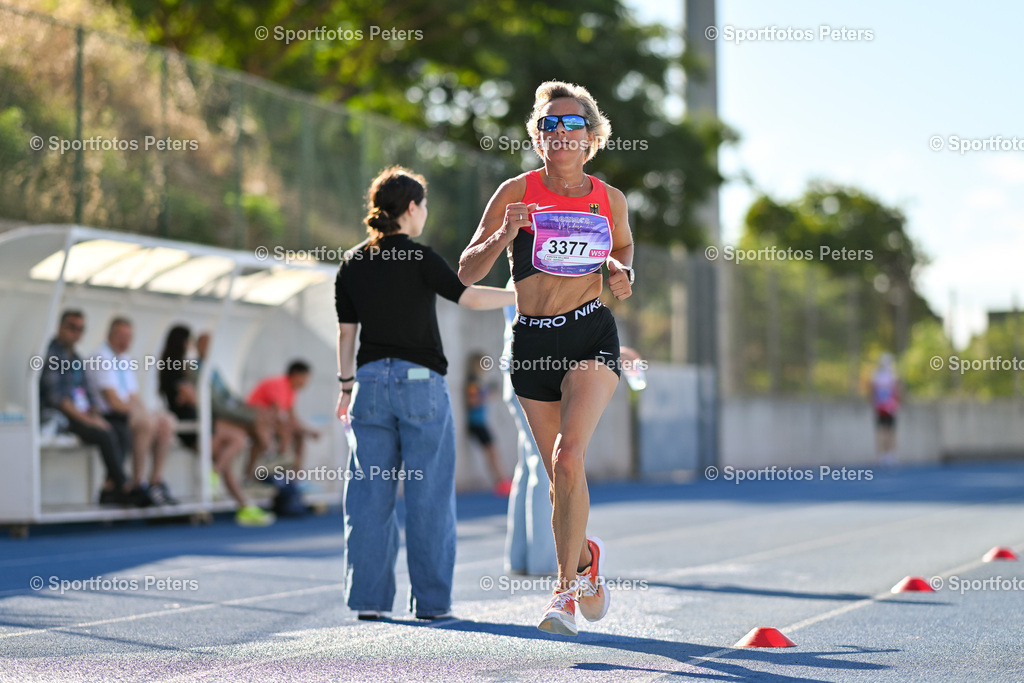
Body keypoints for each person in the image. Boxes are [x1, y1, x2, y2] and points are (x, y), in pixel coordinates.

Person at [458, 81, 634, 636]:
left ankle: (562, 593)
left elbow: (623, 247)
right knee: (559, 477)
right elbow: (464, 272)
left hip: (590, 335)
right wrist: (503, 235)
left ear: (591, 137)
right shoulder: (516, 191)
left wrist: (622, 272)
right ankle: (585, 563)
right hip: (532, 342)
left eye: (571, 125)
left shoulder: (609, 199)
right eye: (549, 125)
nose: (560, 134)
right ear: (538, 136)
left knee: (568, 456)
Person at [335, 165, 515, 621]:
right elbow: (468, 296)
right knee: (429, 497)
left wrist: (345, 389)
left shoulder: (353, 263)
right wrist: (520, 297)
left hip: (369, 385)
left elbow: (346, 336)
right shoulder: (419, 258)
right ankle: (432, 605)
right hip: (420, 386)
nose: (426, 213)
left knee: (368, 498)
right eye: (425, 205)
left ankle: (370, 603)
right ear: (411, 209)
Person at [158, 325, 274, 526]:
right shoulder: (179, 367)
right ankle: (221, 482)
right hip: (194, 426)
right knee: (237, 439)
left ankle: (243, 505)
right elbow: (193, 399)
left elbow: (199, 397)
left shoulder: (181, 367)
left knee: (226, 458)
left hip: (201, 423)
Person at [38, 309, 136, 506]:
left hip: (78, 414)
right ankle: (123, 485)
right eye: (72, 327)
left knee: (119, 428)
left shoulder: (76, 358)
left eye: (80, 329)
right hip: (59, 418)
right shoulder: (52, 355)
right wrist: (90, 420)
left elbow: (86, 395)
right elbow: (61, 401)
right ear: (60, 328)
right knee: (105, 433)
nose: (76, 333)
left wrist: (95, 414)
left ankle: (111, 488)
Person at [90, 316, 177, 506]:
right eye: (121, 335)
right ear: (110, 335)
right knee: (146, 422)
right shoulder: (100, 357)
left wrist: (147, 412)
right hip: (108, 414)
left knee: (166, 422)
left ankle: (156, 480)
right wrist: (141, 414)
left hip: (124, 411)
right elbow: (112, 400)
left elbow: (133, 396)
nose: (126, 341)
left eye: (129, 336)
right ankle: (138, 482)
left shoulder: (124, 359)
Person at [501, 294, 558, 576]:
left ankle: (520, 558)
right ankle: (542, 561)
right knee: (545, 468)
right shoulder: (537, 266)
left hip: (516, 372)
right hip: (533, 374)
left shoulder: (518, 268)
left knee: (528, 465)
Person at [195, 332, 274, 479]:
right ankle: (268, 456)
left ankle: (251, 471)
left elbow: (228, 395)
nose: (209, 349)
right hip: (218, 419)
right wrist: (248, 413)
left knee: (255, 427)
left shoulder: (212, 369)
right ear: (197, 346)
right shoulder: (195, 368)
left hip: (227, 416)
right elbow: (217, 404)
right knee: (244, 435)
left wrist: (249, 409)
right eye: (206, 345)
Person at [247, 361, 319, 472]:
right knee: (286, 430)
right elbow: (277, 414)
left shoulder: (291, 391)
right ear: (295, 374)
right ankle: (278, 464)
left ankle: (294, 475)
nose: (306, 382)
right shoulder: (280, 384)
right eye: (304, 377)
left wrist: (308, 431)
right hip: (254, 417)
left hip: (267, 420)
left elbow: (292, 418)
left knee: (299, 435)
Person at [465, 351, 512, 497]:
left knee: (492, 453)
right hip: (476, 423)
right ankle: (501, 482)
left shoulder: (477, 381)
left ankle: (501, 481)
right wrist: (485, 394)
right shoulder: (473, 381)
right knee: (492, 453)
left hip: (480, 423)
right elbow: (472, 401)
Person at [871, 352, 900, 466]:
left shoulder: (878, 375)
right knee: (887, 432)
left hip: (885, 407)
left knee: (885, 431)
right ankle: (887, 455)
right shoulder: (890, 375)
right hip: (886, 408)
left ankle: (887, 455)